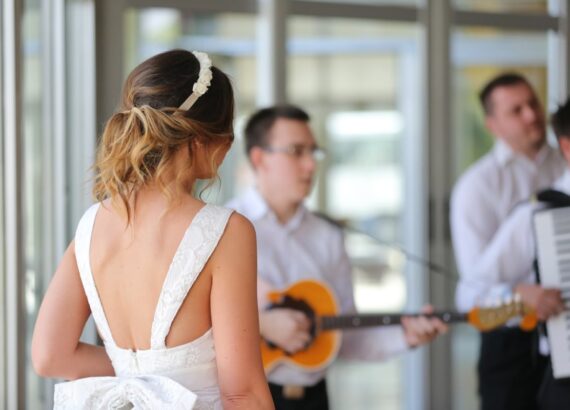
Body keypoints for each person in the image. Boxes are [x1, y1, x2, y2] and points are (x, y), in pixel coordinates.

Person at [31, 49, 274, 410]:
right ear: (202, 138)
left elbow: (50, 356)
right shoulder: (225, 232)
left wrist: (139, 377)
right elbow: (242, 393)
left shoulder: (92, 225)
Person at [227, 105, 448, 410]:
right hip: (245, 399)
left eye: (313, 152)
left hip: (314, 399)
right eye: (296, 151)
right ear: (259, 158)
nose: (310, 165)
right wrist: (262, 324)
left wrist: (406, 336)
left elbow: (346, 336)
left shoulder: (328, 236)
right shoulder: (225, 226)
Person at [450, 72, 566, 410]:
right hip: (509, 344)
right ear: (492, 125)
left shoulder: (565, 163)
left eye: (532, 103)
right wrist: (518, 296)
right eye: (516, 110)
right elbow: (472, 291)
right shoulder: (476, 187)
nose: (531, 115)